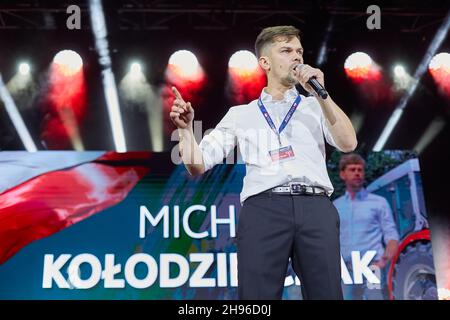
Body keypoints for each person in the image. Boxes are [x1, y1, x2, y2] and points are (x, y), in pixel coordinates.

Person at [169, 25, 357, 300]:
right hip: (263, 209)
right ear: (265, 62)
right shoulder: (240, 114)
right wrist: (186, 131)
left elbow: (347, 143)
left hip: (315, 207)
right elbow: (197, 164)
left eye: (299, 52)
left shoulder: (315, 106)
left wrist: (321, 94)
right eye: (287, 51)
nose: (297, 58)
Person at [333, 153, 399, 300]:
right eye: (352, 169)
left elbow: (392, 235)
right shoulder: (335, 206)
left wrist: (383, 261)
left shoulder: (379, 202)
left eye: (360, 169)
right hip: (345, 269)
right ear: (343, 174)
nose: (357, 173)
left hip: (372, 267)